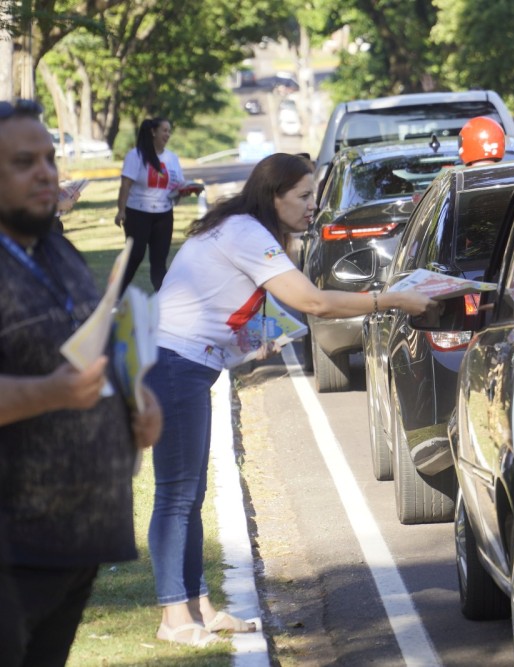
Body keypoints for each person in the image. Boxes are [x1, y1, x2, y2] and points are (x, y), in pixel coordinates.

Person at [146, 152, 437, 647]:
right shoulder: (245, 232)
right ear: (272, 195)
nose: (312, 206)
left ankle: (198, 606)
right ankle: (174, 617)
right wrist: (391, 300)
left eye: (314, 195)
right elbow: (314, 301)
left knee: (188, 497)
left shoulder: (244, 227)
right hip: (174, 364)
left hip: (184, 363)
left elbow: (224, 304)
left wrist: (249, 344)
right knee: (176, 496)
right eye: (303, 196)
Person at [0, 98, 162, 666]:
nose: (47, 172)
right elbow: (53, 381)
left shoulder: (55, 250)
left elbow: (98, 344)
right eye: (24, 162)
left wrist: (138, 405)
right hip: (14, 549)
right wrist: (51, 392)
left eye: (49, 157)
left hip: (79, 541)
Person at [114, 117, 198, 292]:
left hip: (164, 214)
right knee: (134, 256)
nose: (168, 134)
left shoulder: (172, 158)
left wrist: (189, 189)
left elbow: (178, 185)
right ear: (153, 132)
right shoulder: (136, 155)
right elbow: (126, 185)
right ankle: (114, 296)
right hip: (138, 213)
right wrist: (121, 210)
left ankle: (163, 301)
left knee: (159, 261)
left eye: (169, 131)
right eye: (164, 130)